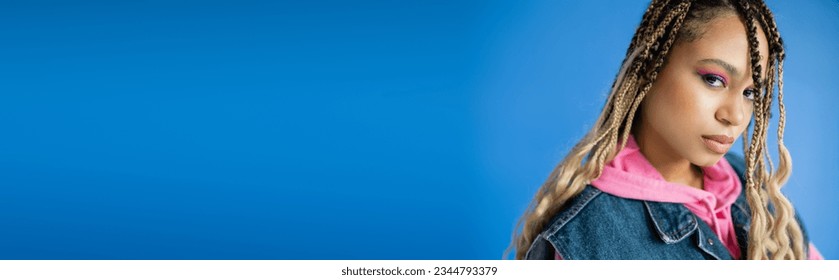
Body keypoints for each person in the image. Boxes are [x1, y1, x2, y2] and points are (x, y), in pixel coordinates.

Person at [506, 0, 823, 260]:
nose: (736, 115)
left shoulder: (749, 184)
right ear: (650, 69)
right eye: (714, 79)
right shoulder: (586, 241)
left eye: (750, 92)